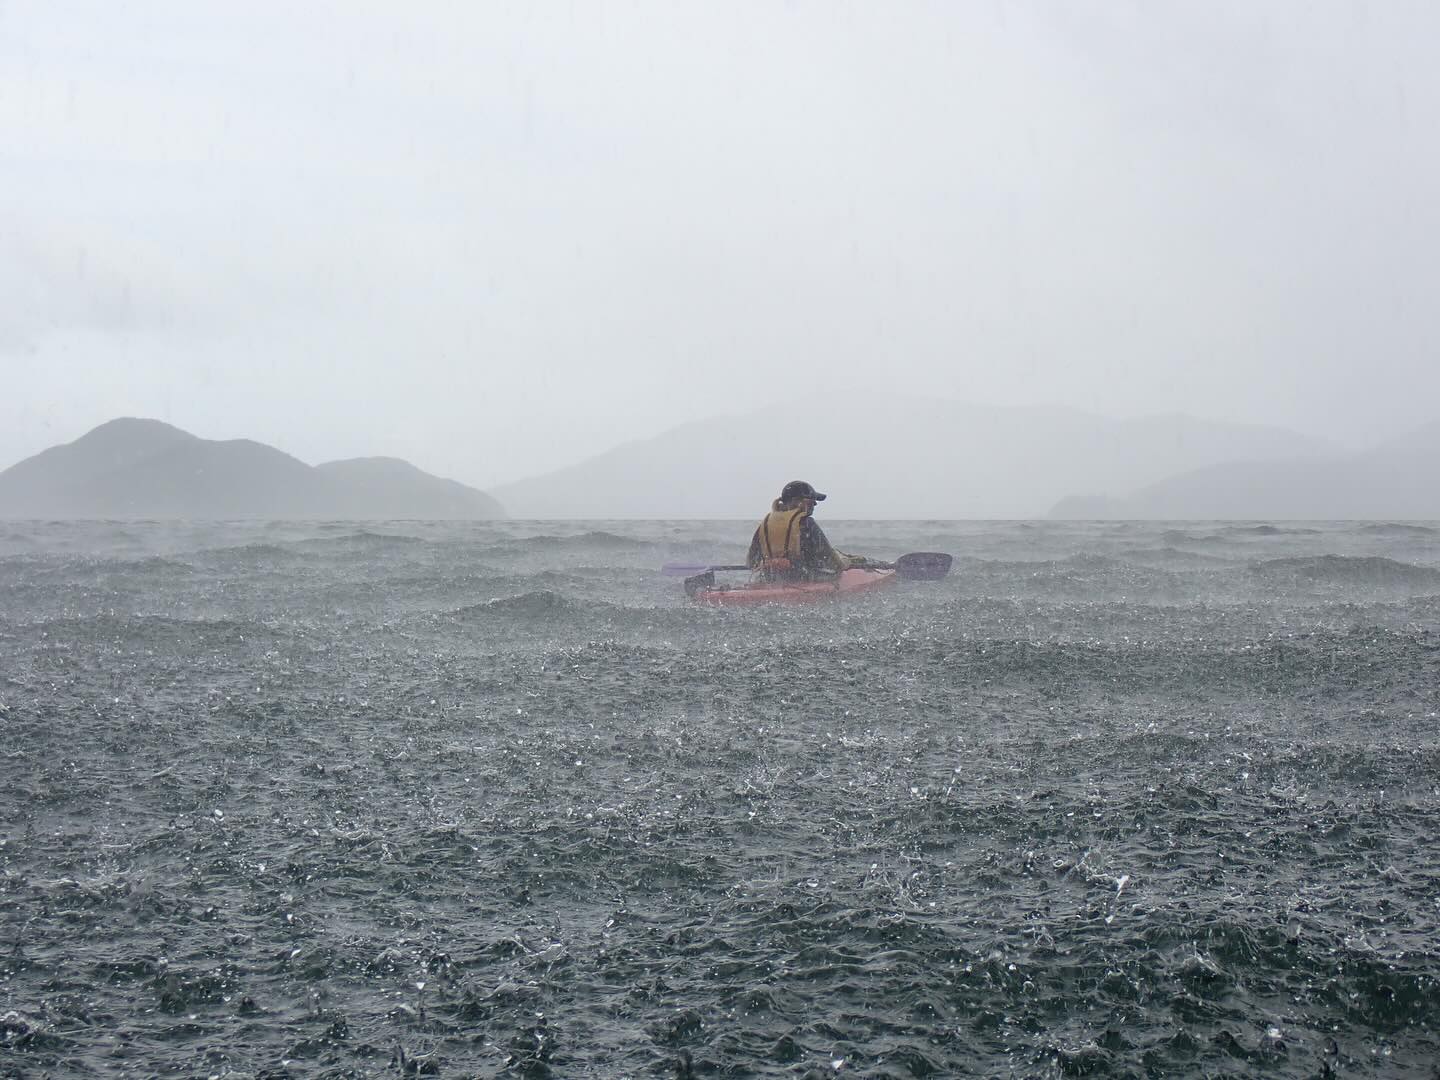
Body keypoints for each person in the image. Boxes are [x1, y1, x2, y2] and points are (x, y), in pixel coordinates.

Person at [746, 480, 867, 582]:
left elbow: (751, 563)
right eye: (812, 502)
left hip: (770, 580)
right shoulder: (808, 524)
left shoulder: (765, 524)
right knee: (847, 561)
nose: (814, 505)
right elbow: (831, 561)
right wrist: (846, 563)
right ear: (801, 502)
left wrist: (774, 563)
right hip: (805, 579)